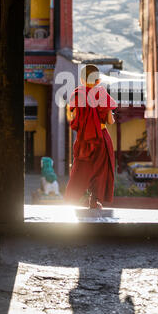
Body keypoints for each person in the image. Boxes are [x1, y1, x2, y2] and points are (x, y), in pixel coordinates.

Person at [64, 64, 117, 209]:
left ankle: (73, 197)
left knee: (81, 168)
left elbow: (72, 118)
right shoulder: (101, 94)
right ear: (98, 81)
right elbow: (110, 121)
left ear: (81, 80)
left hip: (84, 139)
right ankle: (94, 200)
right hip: (101, 137)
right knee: (100, 170)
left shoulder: (77, 94)